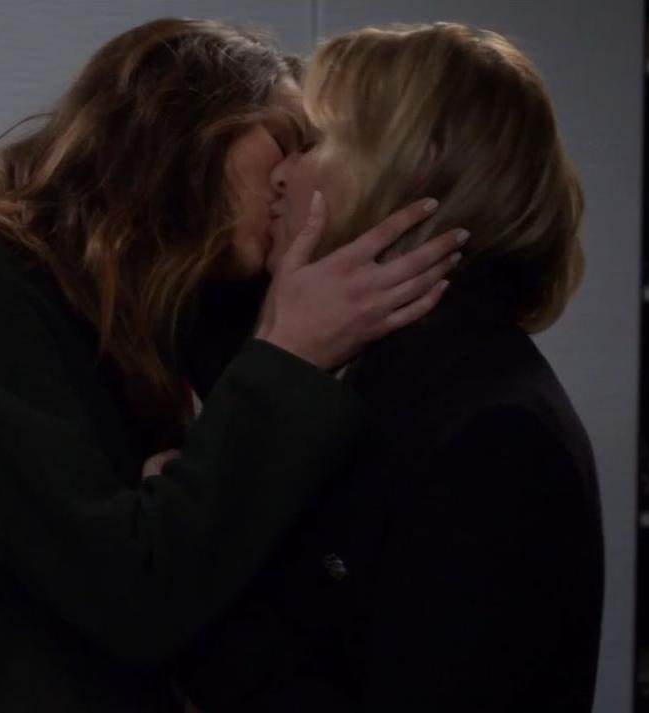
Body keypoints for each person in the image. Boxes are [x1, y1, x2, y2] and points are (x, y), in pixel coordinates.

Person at [0, 18, 464, 713]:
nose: (292, 176)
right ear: (178, 128)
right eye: (282, 142)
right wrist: (288, 355)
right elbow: (133, 597)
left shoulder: (185, 303)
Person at [176, 22, 605, 712]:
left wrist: (196, 601)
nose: (281, 174)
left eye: (315, 143)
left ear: (416, 169)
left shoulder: (492, 437)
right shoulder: (391, 370)